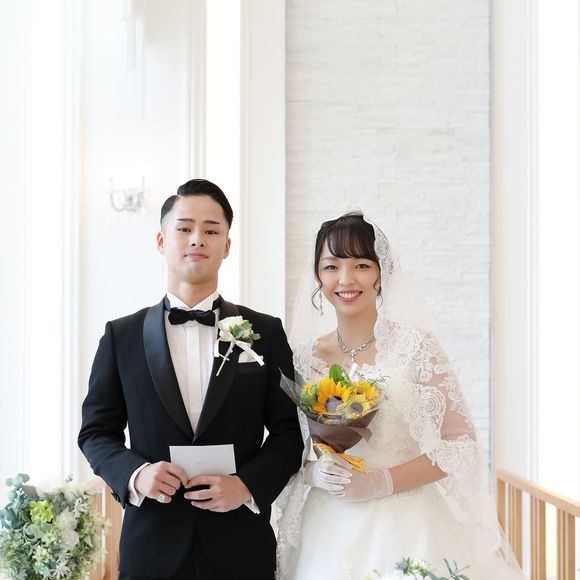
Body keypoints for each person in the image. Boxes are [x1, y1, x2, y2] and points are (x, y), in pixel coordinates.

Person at [276, 212, 523, 580]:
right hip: (325, 528)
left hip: (409, 523)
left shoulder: (416, 347)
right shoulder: (301, 357)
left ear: (381, 273)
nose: (346, 279)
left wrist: (380, 482)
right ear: (318, 276)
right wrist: (314, 473)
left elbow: (461, 448)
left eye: (361, 265)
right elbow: (284, 449)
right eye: (332, 266)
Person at [78, 179, 303, 580]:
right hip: (152, 545)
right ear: (162, 241)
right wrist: (137, 475)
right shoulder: (121, 336)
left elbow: (290, 432)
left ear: (227, 246)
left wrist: (247, 485)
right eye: (184, 228)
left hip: (241, 545)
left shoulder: (265, 332)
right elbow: (96, 433)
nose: (197, 238)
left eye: (211, 231)